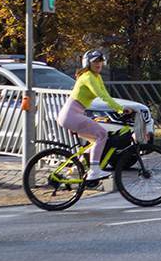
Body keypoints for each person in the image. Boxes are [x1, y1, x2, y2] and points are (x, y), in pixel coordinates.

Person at [56, 50, 132, 181]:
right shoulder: (88, 77)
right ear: (87, 63)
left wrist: (119, 108)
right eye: (95, 61)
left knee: (96, 141)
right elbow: (101, 96)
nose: (99, 64)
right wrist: (120, 109)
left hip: (74, 115)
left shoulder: (97, 77)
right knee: (102, 134)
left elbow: (106, 95)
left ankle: (75, 170)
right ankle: (94, 171)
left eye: (101, 61)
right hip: (71, 115)